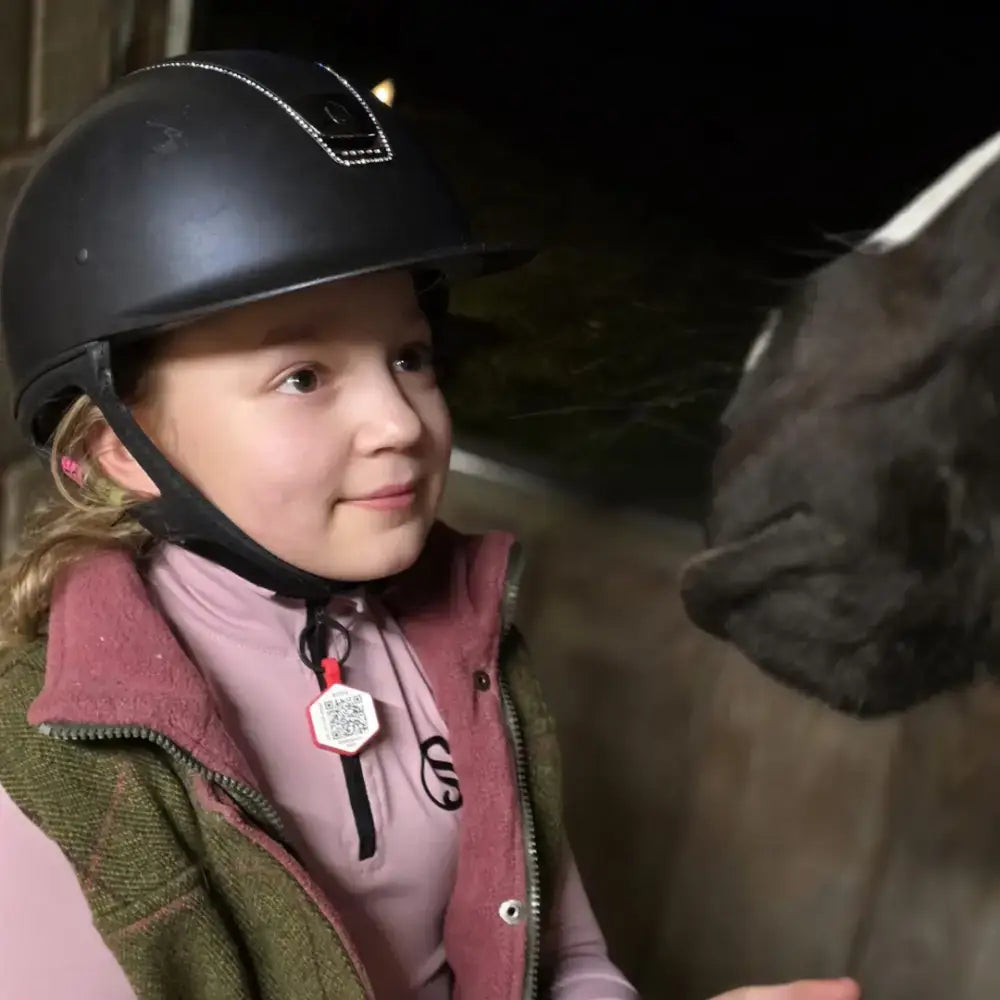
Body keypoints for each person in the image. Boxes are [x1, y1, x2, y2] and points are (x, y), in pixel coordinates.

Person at [0, 50, 860, 1000]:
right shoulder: (59, 777)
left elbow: (562, 959)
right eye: (303, 376)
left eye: (410, 356)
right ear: (119, 445)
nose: (401, 423)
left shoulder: (463, 641)